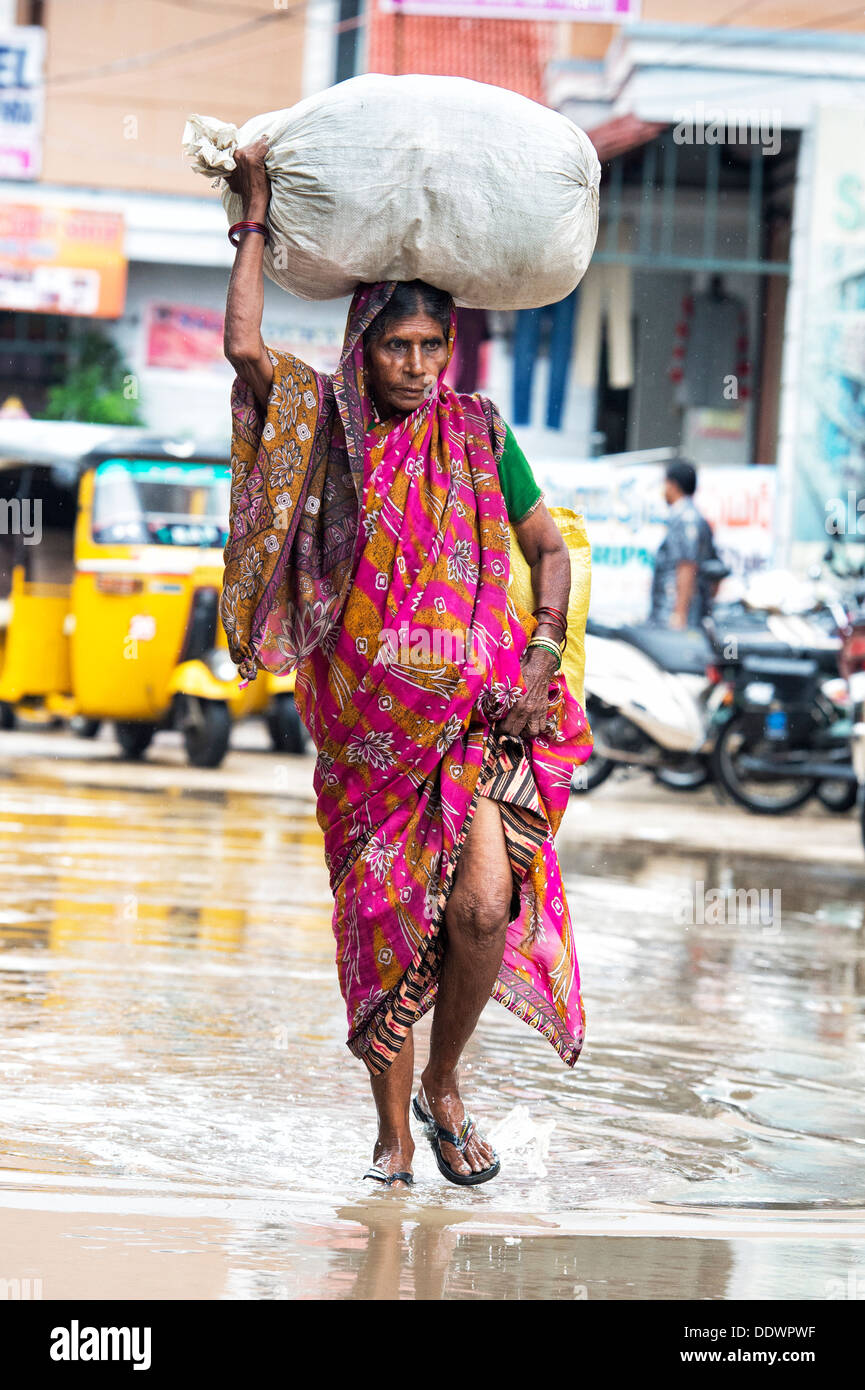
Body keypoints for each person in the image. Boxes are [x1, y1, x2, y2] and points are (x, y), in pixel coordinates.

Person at [221, 137, 593, 1190]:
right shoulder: (325, 428)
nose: (420, 367)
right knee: (383, 928)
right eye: (400, 348)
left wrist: (537, 658)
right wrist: (253, 214)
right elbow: (244, 347)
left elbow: (548, 546)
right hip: (364, 743)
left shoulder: (478, 431)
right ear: (363, 348)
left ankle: (446, 1084)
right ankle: (391, 1139)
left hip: (476, 723)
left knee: (481, 908)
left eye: (435, 345)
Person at [649, 458, 715, 630]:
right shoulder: (689, 516)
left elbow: (686, 565)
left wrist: (680, 613)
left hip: (674, 612)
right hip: (678, 609)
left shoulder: (686, 519)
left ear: (673, 485)